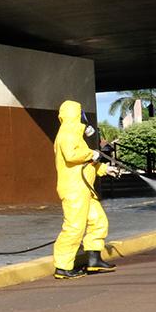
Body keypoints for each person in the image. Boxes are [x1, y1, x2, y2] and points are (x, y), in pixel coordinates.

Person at [52, 100, 116, 280]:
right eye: (81, 113)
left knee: (98, 221)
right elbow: (72, 156)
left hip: (85, 188)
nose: (83, 118)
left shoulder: (76, 135)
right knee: (74, 227)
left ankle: (94, 260)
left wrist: (104, 169)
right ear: (74, 114)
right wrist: (92, 153)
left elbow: (85, 164)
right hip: (74, 189)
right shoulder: (67, 133)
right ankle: (63, 267)